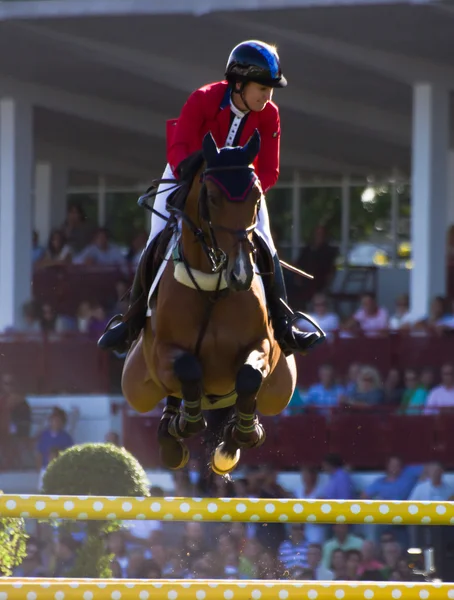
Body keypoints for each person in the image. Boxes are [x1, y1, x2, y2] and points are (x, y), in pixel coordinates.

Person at [98, 40, 322, 355]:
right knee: (158, 236)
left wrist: (243, 195)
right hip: (185, 177)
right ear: (240, 83)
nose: (268, 96)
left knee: (267, 244)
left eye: (272, 89)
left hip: (241, 189)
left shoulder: (270, 115)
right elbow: (179, 150)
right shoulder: (203, 99)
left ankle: (285, 325)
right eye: (263, 88)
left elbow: (270, 170)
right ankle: (131, 321)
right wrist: (195, 187)